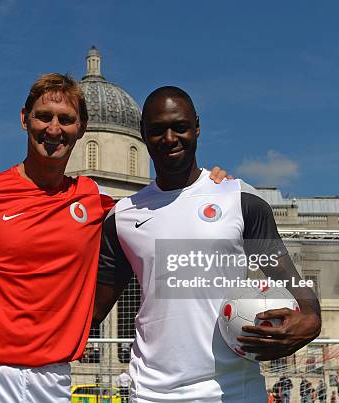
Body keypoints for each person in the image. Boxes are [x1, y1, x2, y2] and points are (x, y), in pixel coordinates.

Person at [0, 71, 235, 402]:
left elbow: (164, 212)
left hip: (54, 378)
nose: (53, 129)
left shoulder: (99, 203)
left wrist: (203, 186)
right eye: (43, 116)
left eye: (65, 120)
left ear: (81, 129)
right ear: (24, 119)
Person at [93, 86, 322, 402]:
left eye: (180, 127)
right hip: (151, 393)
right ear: (143, 135)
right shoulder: (123, 216)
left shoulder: (240, 199)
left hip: (234, 391)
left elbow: (290, 282)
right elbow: (93, 309)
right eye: (158, 130)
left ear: (197, 127)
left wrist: (311, 316)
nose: (170, 138)